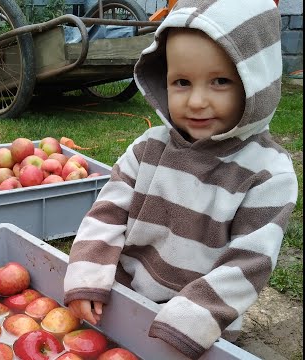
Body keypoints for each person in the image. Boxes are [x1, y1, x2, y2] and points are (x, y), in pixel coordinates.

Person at [63, 0, 298, 359]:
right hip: (120, 300)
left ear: (257, 80)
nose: (197, 101)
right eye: (182, 82)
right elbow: (107, 211)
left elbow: (249, 263)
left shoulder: (268, 174)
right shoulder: (148, 148)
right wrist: (86, 276)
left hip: (198, 324)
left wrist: (192, 319)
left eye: (220, 81)